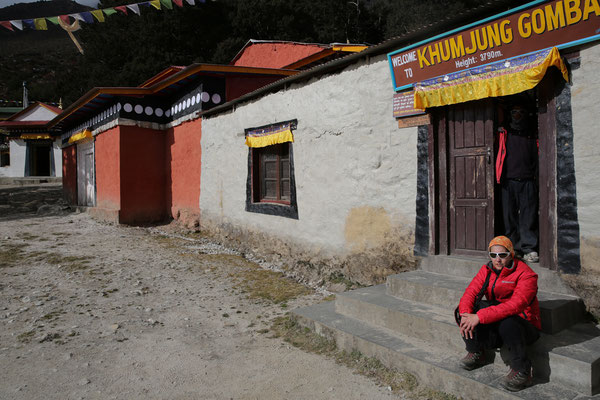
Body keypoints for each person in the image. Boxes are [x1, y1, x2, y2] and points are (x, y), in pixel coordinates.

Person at [457, 236, 541, 392]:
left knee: (507, 321)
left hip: (523, 323)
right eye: (493, 255)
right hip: (498, 317)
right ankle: (476, 351)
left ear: (511, 254)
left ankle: (522, 370)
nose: (498, 259)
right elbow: (470, 293)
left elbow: (516, 305)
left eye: (502, 255)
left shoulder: (527, 275)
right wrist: (466, 314)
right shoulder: (487, 269)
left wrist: (480, 317)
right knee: (463, 311)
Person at [496, 99, 539, 263]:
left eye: (520, 112)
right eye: (514, 112)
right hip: (508, 182)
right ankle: (512, 248)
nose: (518, 115)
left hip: (528, 180)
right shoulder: (504, 134)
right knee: (509, 217)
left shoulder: (532, 134)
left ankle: (528, 248)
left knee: (528, 216)